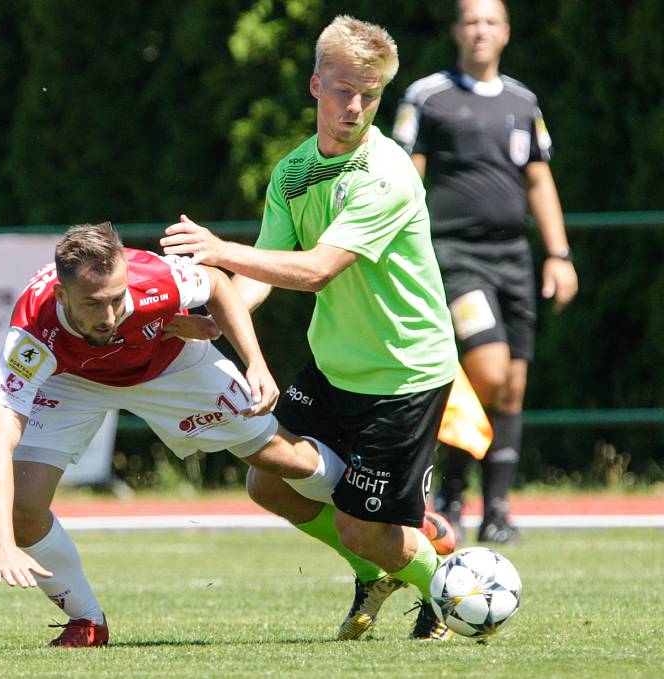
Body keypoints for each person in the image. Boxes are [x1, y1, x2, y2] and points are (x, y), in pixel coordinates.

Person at [161, 16, 459, 641]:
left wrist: (218, 249)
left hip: (401, 374)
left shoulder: (387, 174)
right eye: (344, 89)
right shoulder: (294, 172)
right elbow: (264, 274)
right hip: (334, 367)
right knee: (268, 480)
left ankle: (451, 586)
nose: (355, 107)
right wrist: (213, 319)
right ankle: (377, 564)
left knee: (358, 523)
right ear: (315, 85)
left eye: (370, 94)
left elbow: (317, 270)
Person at [0, 222, 350, 648]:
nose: (110, 316)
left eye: (118, 299)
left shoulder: (153, 276)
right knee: (21, 509)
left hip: (168, 361)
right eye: (94, 304)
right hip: (72, 378)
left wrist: (255, 363)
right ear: (62, 296)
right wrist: (1, 541)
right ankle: (88, 622)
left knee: (280, 458)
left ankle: (377, 516)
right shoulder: (31, 335)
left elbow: (217, 284)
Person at [392, 0, 578, 543]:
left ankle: (495, 509)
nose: (480, 30)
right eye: (471, 20)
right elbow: (406, 177)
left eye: (490, 21)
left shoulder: (523, 101)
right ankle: (451, 487)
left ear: (506, 33)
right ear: (456, 30)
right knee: (490, 372)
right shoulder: (428, 97)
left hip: (514, 259)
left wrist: (559, 256)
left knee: (513, 387)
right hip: (455, 258)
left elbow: (539, 180)